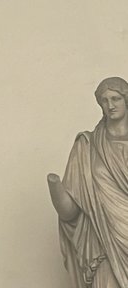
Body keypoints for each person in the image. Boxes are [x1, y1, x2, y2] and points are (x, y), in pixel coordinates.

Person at [49, 77, 128, 286]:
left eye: (116, 98)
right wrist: (54, 185)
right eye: (104, 100)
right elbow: (70, 212)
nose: (110, 105)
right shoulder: (87, 147)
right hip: (105, 242)